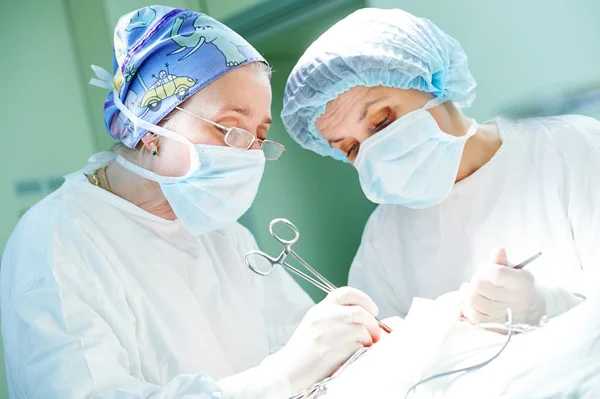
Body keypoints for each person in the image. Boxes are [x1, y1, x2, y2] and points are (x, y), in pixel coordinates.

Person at [0, 6, 384, 399]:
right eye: (232, 129)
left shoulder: (222, 234)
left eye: (259, 135)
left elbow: (298, 345)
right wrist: (281, 376)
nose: (249, 153)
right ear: (151, 128)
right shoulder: (56, 239)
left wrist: (344, 339)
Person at [281, 8, 600, 325]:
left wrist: (546, 306)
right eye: (350, 148)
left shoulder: (569, 147)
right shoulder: (385, 239)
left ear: (431, 81)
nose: (373, 151)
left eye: (382, 120)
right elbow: (385, 358)